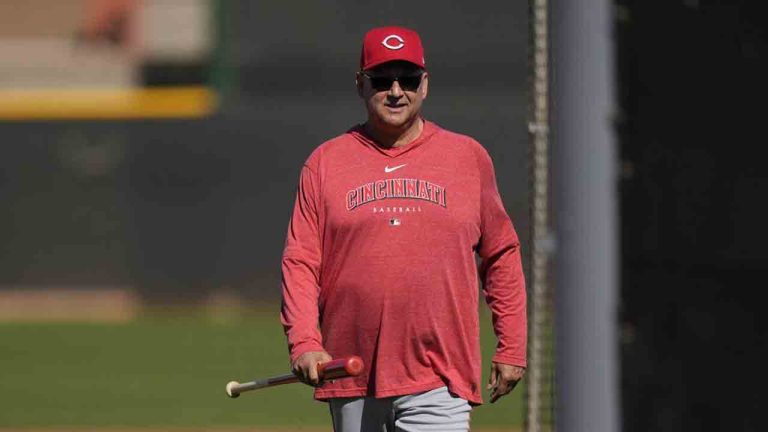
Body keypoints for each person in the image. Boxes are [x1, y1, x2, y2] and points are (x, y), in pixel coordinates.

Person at [280, 25, 527, 431]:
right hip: (351, 372)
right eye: (382, 79)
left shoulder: (468, 158)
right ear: (361, 85)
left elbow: (501, 253)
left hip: (439, 374)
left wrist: (512, 345)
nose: (396, 91)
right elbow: (300, 262)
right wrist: (305, 342)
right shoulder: (325, 163)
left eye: (408, 79)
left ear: (425, 85)